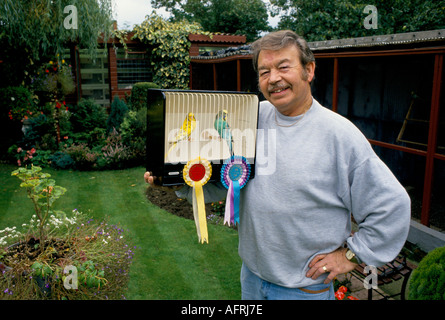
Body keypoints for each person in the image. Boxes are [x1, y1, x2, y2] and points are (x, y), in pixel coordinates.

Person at [144, 30, 411, 300]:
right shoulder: (252, 117)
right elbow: (232, 184)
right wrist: (179, 184)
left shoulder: (339, 135)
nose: (273, 79)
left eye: (283, 67)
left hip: (304, 288)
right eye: (264, 71)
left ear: (309, 70)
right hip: (252, 279)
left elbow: (392, 205)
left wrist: (352, 254)